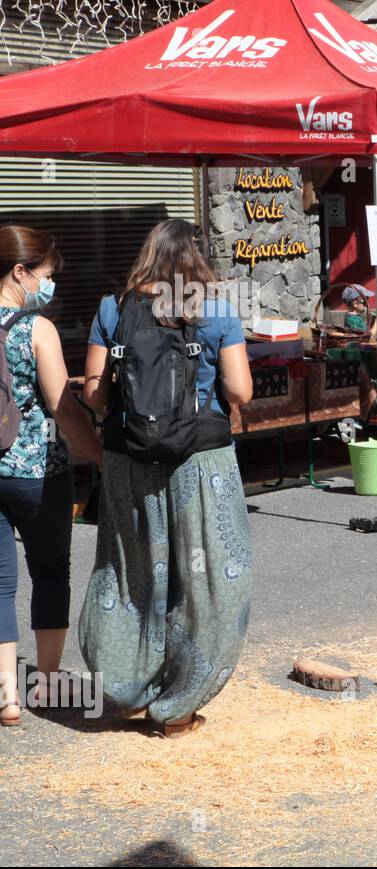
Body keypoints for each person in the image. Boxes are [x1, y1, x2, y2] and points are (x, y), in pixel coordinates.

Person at [80, 219, 254, 737]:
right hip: (202, 463)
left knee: (132, 574)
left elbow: (93, 393)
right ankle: (178, 705)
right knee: (208, 582)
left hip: (129, 461)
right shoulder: (217, 308)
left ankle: (128, 689)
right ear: (196, 260)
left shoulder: (114, 307)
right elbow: (241, 390)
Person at [0, 227, 102, 727]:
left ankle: (6, 697)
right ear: (19, 273)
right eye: (45, 275)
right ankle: (42, 683)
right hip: (39, 471)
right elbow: (62, 405)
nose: (49, 285)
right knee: (49, 572)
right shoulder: (36, 328)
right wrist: (98, 452)